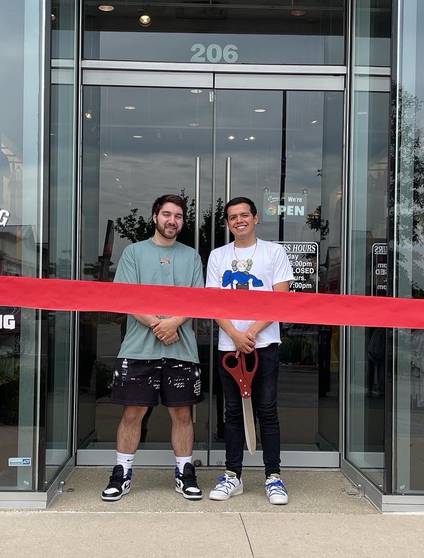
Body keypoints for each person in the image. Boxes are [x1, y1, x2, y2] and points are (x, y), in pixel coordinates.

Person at [101, 194, 204, 502]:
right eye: (167, 215)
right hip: (138, 350)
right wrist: (160, 326)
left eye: (179, 217)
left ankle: (185, 473)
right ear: (155, 216)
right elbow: (126, 298)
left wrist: (174, 324)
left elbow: (198, 299)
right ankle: (122, 473)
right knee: (133, 413)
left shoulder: (192, 257)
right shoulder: (134, 253)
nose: (172, 221)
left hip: (181, 350)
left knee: (182, 414)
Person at [206, 197, 294, 505]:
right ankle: (233, 475)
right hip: (229, 347)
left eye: (244, 215)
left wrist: (252, 333)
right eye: (233, 217)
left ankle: (273, 477)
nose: (239, 220)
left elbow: (280, 299)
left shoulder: (274, 252)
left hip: (264, 345)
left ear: (255, 218)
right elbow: (213, 302)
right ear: (228, 223)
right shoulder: (218, 256)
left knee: (267, 411)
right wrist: (234, 334)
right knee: (232, 413)